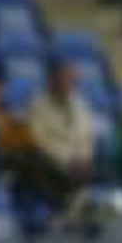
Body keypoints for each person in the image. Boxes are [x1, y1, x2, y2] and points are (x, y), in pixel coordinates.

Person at [23, 58, 97, 220]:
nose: (71, 82)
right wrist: (69, 159)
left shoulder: (81, 105)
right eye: (67, 77)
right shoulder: (38, 105)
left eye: (73, 78)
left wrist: (84, 157)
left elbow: (88, 138)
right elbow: (38, 141)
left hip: (80, 164)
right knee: (38, 162)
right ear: (54, 79)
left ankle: (81, 210)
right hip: (52, 164)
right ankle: (67, 210)